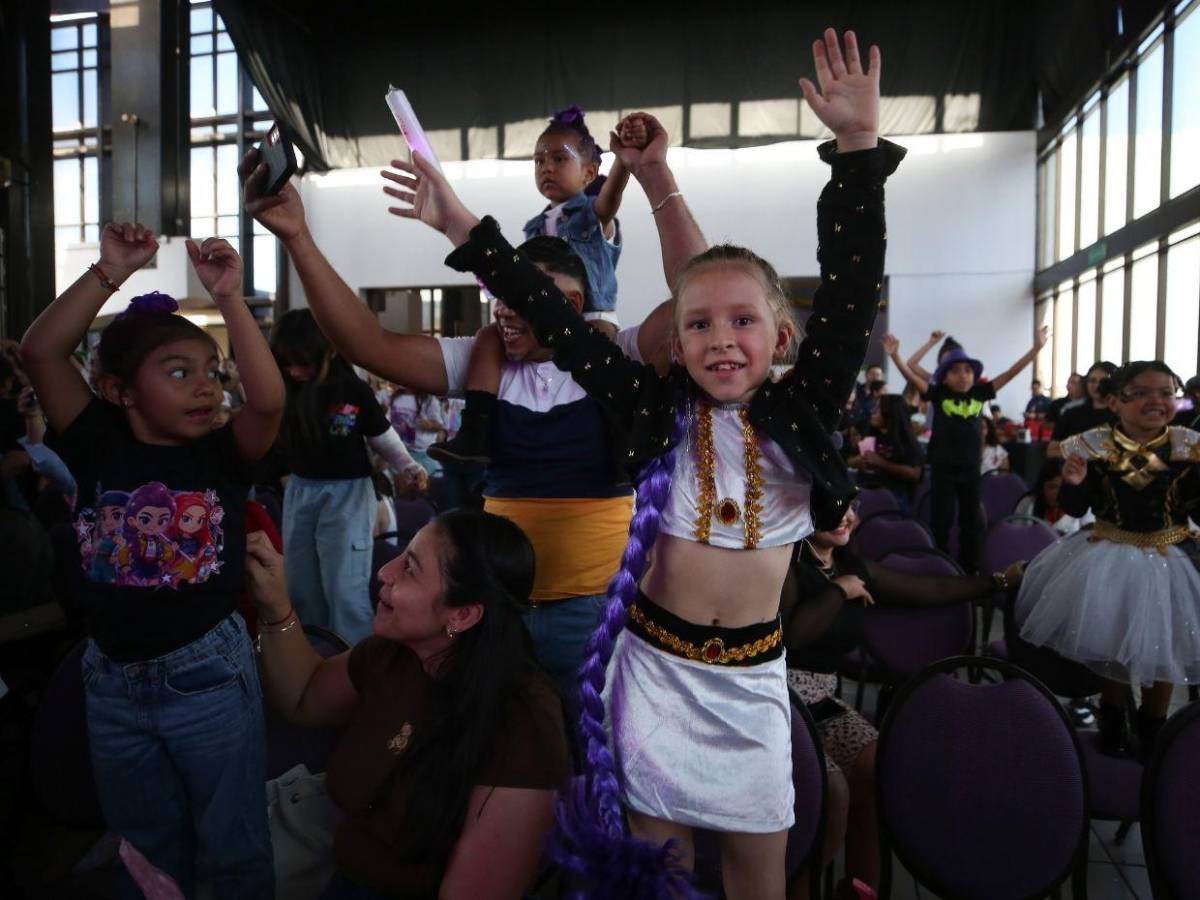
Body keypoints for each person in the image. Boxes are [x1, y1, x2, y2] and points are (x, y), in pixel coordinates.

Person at [383, 28, 898, 897]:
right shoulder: (650, 405)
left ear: (782, 337)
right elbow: (548, 308)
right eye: (698, 323)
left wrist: (856, 148)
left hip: (753, 683)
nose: (721, 339)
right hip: (654, 675)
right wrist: (462, 225)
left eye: (743, 321)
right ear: (675, 341)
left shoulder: (805, 410)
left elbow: (852, 284)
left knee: (759, 871)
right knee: (660, 871)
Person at [241, 110, 699, 713]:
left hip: (594, 609)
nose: (505, 312)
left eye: (524, 299)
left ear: (571, 306)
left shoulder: (619, 356)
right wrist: (298, 237)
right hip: (494, 607)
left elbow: (698, 295)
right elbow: (366, 344)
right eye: (500, 298)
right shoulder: (484, 360)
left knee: (585, 746)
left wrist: (654, 173)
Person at [20, 224, 285, 898]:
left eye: (211, 372)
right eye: (178, 372)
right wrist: (109, 271)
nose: (206, 389)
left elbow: (268, 400)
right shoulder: (95, 442)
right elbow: (40, 351)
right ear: (119, 391)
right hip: (110, 679)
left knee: (232, 843)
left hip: (207, 672)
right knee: (145, 852)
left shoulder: (221, 453)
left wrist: (230, 299)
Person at [243, 509, 568, 899]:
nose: (384, 571)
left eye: (410, 569)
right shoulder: (397, 653)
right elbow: (304, 697)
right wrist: (275, 606)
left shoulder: (522, 726)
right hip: (345, 870)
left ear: (462, 615)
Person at [781, 502, 1021, 899]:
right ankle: (796, 889)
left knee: (878, 764)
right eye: (833, 505)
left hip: (822, 702)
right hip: (781, 701)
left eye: (850, 505)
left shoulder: (852, 565)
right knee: (834, 793)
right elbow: (794, 635)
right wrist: (839, 590)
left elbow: (931, 590)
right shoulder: (786, 562)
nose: (846, 514)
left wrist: (999, 582)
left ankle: (861, 893)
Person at [428, 107, 644, 465]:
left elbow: (610, 199)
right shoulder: (534, 227)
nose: (546, 168)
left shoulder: (590, 216)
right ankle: (476, 428)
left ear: (590, 172)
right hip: (539, 319)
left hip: (589, 317)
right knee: (488, 338)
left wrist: (623, 163)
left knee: (601, 357)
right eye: (539, 160)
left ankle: (615, 439)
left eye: (560, 159)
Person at [1016, 361, 1200, 759]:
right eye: (1141, 393)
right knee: (1114, 639)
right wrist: (1073, 483)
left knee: (1165, 643)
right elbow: (1074, 506)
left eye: (1165, 393)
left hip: (1170, 555)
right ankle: (1112, 719)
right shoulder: (1093, 445)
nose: (1156, 401)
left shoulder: (1189, 446)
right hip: (1112, 554)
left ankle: (1154, 726)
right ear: (1115, 402)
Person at [271, 309, 427, 643]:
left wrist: (410, 467)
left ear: (328, 351)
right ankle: (313, 655)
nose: (295, 371)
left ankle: (353, 660)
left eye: (303, 362)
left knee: (344, 588)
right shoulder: (286, 390)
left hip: (348, 494)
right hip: (301, 490)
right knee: (301, 586)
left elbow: (381, 436)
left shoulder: (351, 389)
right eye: (287, 363)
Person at [885, 327, 1047, 571]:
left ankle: (969, 568)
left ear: (974, 375)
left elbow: (1010, 373)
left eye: (968, 370)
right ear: (944, 376)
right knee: (941, 520)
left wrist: (1036, 349)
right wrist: (896, 356)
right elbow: (911, 374)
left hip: (971, 468)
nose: (963, 375)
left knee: (971, 521)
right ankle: (939, 564)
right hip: (943, 467)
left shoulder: (980, 393)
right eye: (955, 371)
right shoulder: (938, 393)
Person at [847, 393, 923, 511]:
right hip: (863, 492)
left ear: (889, 413)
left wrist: (881, 463)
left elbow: (914, 474)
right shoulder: (870, 434)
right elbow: (849, 460)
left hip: (892, 498)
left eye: (878, 409)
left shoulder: (906, 441)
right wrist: (857, 461)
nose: (872, 411)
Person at [1047, 361, 1117, 458]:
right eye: (1092, 381)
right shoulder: (1071, 414)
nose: (1097, 385)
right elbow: (1051, 450)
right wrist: (1080, 455)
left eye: (1103, 381)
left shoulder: (1122, 415)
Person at [1013, 458, 1091, 535]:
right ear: (1042, 487)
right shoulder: (1027, 503)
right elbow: (1015, 537)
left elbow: (1091, 534)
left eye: (1064, 487)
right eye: (1053, 487)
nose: (1059, 493)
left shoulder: (1082, 504)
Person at [387, 386, 448, 474]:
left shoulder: (429, 399)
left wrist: (428, 425)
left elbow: (439, 426)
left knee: (422, 480)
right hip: (400, 450)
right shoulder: (395, 397)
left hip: (423, 453)